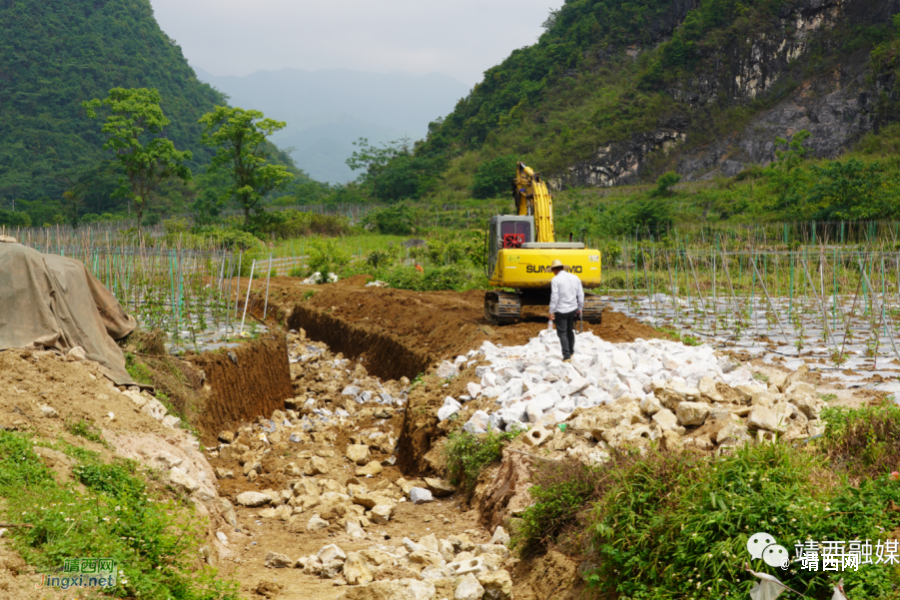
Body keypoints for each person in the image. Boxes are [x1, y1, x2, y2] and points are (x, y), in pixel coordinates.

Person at [548, 259, 584, 362]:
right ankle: (571, 352)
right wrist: (580, 308)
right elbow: (580, 294)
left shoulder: (555, 280)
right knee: (569, 331)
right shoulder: (575, 277)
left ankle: (567, 356)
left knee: (562, 333)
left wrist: (551, 311)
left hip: (561, 310)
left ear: (554, 270)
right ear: (563, 268)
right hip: (573, 308)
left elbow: (554, 296)